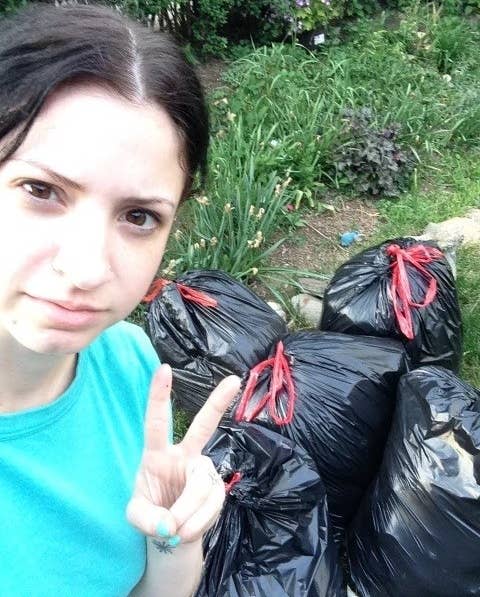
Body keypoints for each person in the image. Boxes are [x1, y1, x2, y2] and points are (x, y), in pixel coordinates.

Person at [0, 3, 241, 596]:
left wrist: (173, 537)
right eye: (41, 190)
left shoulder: (128, 361)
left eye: (138, 216)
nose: (85, 269)